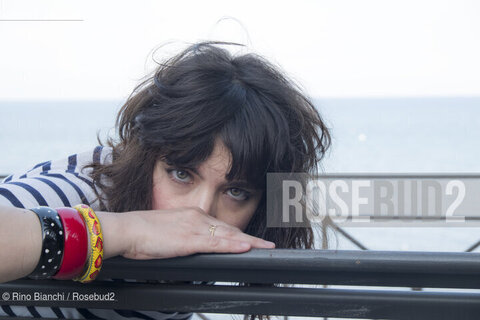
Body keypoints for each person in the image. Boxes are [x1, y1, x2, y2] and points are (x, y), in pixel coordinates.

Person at [0, 41, 331, 319]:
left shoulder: (220, 244)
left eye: (236, 191)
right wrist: (123, 231)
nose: (199, 212)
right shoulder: (80, 193)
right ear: (147, 158)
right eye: (182, 174)